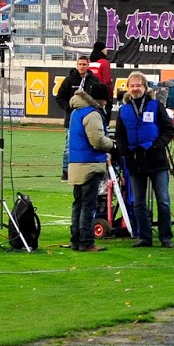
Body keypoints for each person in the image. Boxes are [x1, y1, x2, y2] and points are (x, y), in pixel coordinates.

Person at [113, 71, 174, 248]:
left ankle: (165, 237)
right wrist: (125, 151)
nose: (135, 89)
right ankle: (145, 237)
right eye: (132, 86)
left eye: (138, 85)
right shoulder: (124, 110)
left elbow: (168, 130)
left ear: (145, 87)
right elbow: (120, 135)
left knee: (163, 200)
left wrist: (156, 146)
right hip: (135, 162)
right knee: (138, 202)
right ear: (128, 87)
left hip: (156, 160)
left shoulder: (156, 106)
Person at [67, 80, 117, 251]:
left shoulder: (75, 112)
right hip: (89, 163)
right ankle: (87, 242)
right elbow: (97, 141)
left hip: (75, 163)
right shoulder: (93, 114)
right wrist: (112, 144)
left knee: (78, 204)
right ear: (101, 99)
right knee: (88, 205)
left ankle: (76, 240)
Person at [55, 55, 96, 179]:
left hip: (89, 118)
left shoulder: (94, 80)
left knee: (89, 142)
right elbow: (59, 97)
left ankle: (85, 169)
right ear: (77, 65)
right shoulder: (69, 80)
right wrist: (69, 108)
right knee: (69, 145)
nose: (82, 67)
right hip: (72, 119)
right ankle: (66, 170)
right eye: (80, 64)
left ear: (88, 65)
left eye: (84, 64)